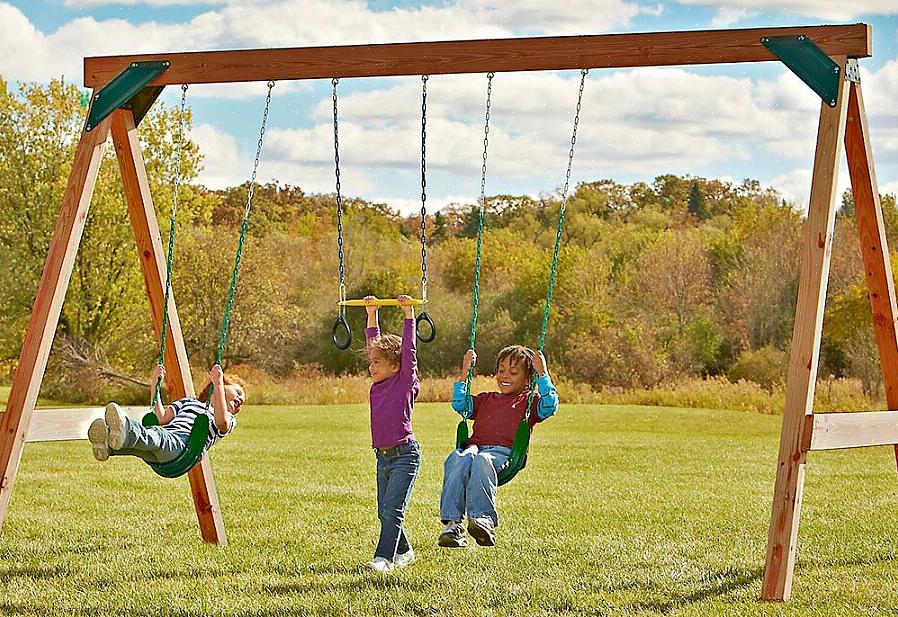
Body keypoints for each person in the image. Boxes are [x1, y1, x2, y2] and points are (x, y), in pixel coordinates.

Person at [439, 345, 558, 548]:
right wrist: (465, 371)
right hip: (474, 448)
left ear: (528, 379)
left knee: (482, 461)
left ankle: (483, 519)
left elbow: (550, 406)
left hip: (503, 454)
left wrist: (543, 373)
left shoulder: (529, 401)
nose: (505, 376)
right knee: (456, 457)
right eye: (501, 370)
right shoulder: (487, 399)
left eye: (513, 372)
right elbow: (461, 405)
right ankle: (453, 525)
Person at [363, 294, 421, 573]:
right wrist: (371, 314)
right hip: (382, 457)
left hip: (404, 456)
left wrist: (409, 315)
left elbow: (409, 351)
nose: (371, 366)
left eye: (378, 362)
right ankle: (405, 551)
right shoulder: (377, 385)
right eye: (371, 362)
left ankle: (383, 558)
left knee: (392, 511)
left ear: (396, 366)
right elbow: (372, 341)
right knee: (383, 511)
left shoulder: (404, 382)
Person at [87, 364, 245, 464]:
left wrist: (217, 384)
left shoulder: (228, 418)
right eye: (238, 392)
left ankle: (126, 426)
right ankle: (107, 445)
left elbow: (221, 422)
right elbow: (161, 418)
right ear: (225, 384)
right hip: (163, 451)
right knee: (144, 444)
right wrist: (155, 384)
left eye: (242, 401)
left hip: (183, 449)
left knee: (155, 436)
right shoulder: (188, 402)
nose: (240, 399)